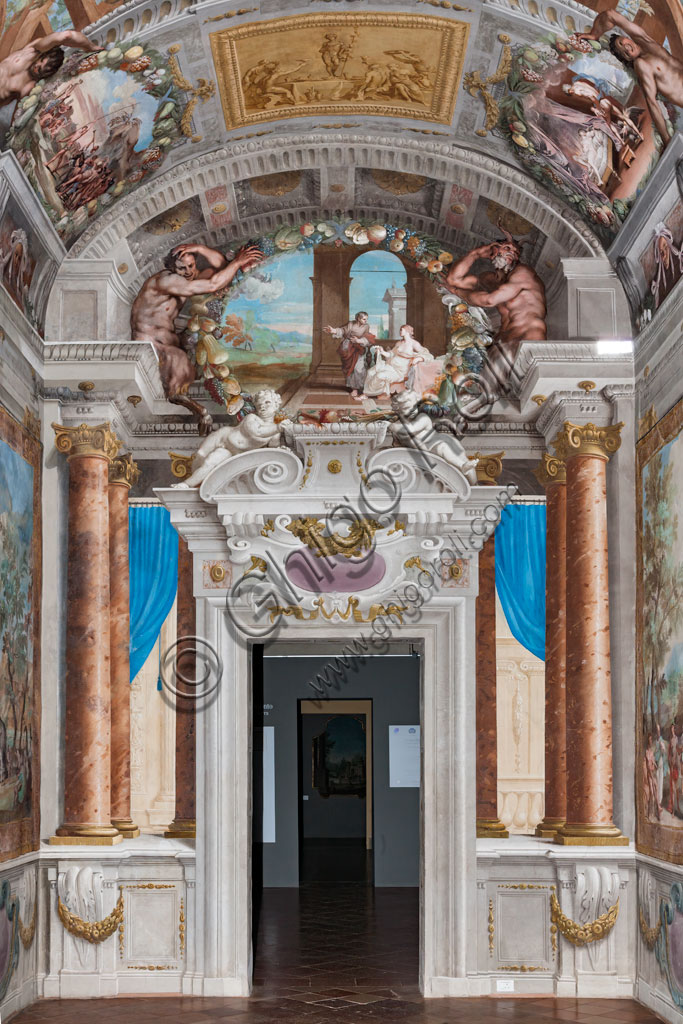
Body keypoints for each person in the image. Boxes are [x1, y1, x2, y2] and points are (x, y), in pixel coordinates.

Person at [131, 242, 263, 433]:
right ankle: (197, 409)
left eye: (191, 266)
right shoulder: (167, 280)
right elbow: (213, 284)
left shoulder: (187, 280)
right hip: (150, 342)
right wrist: (238, 262)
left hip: (170, 341)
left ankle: (192, 405)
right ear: (171, 269)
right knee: (179, 373)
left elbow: (218, 267)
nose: (187, 272)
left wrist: (200, 248)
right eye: (182, 268)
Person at [579, 7, 683, 145]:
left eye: (623, 43)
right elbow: (652, 103)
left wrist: (594, 34)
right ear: (627, 60)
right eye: (623, 52)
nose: (626, 48)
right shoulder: (642, 64)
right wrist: (667, 140)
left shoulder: (648, 43)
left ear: (628, 38)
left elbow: (611, 15)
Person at [0, 29, 97, 109]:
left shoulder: (28, 87)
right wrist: (90, 47)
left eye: (43, 70)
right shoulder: (32, 50)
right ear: (42, 54)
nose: (37, 68)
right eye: (41, 62)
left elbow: (17, 117)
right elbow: (66, 35)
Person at [363, 324, 435, 398]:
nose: (400, 331)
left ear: (407, 331)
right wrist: (382, 351)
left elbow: (427, 355)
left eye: (401, 330)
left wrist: (419, 358)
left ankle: (368, 394)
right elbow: (391, 354)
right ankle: (371, 393)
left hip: (400, 371)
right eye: (400, 329)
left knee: (379, 375)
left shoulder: (414, 344)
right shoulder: (399, 343)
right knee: (371, 372)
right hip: (390, 366)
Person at [324, 311, 374, 399]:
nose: (366, 321)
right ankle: (354, 388)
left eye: (366, 319)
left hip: (359, 348)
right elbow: (342, 331)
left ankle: (361, 387)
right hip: (348, 349)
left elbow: (366, 336)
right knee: (350, 368)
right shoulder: (350, 324)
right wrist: (333, 330)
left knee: (359, 368)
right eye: (364, 319)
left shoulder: (366, 326)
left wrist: (359, 341)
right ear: (358, 318)